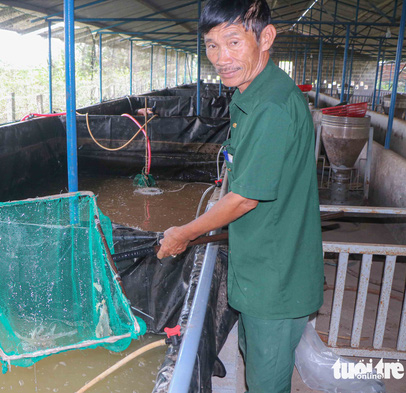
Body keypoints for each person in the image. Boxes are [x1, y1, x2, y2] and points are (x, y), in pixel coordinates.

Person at [156, 0, 324, 391]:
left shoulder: (271, 105)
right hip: (260, 265)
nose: (220, 57)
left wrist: (183, 233)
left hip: (276, 277)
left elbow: (245, 198)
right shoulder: (253, 91)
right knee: (255, 356)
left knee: (267, 380)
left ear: (265, 37)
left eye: (233, 41)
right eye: (212, 45)